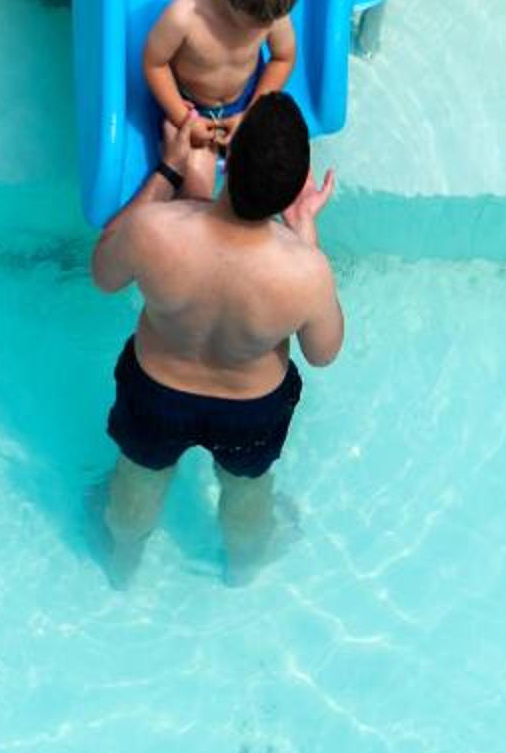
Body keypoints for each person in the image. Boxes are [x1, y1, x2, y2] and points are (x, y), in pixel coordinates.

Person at [91, 93, 343, 580]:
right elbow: (323, 352)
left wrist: (168, 171)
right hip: (250, 410)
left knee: (138, 482)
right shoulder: (305, 271)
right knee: (246, 491)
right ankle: (243, 568)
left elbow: (104, 273)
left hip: (156, 393)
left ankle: (122, 566)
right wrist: (305, 234)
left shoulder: (154, 229)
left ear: (230, 160)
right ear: (295, 191)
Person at [141, 0, 299, 148]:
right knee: (194, 168)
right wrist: (182, 118)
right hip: (190, 105)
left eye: (271, 20)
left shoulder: (269, 10)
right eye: (256, 23)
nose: (266, 27)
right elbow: (154, 64)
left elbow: (283, 58)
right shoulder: (184, 16)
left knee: (278, 155)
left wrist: (253, 113)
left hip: (249, 96)